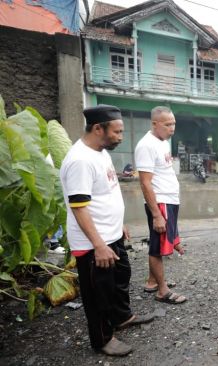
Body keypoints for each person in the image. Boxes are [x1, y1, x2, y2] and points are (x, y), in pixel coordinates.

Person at [60, 105, 156, 357]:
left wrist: (118, 224)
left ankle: (122, 317)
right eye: (117, 131)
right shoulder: (80, 160)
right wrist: (99, 244)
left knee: (120, 278)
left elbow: (105, 193)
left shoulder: (100, 152)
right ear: (97, 128)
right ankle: (102, 339)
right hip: (94, 243)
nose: (121, 137)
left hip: (110, 235)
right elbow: (79, 208)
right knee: (98, 293)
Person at [134, 106, 187, 305]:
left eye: (173, 123)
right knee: (157, 247)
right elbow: (145, 182)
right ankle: (162, 291)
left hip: (170, 199)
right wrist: (156, 214)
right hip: (161, 202)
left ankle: (152, 281)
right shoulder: (146, 145)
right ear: (155, 124)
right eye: (167, 124)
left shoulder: (162, 142)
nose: (172, 128)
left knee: (159, 242)